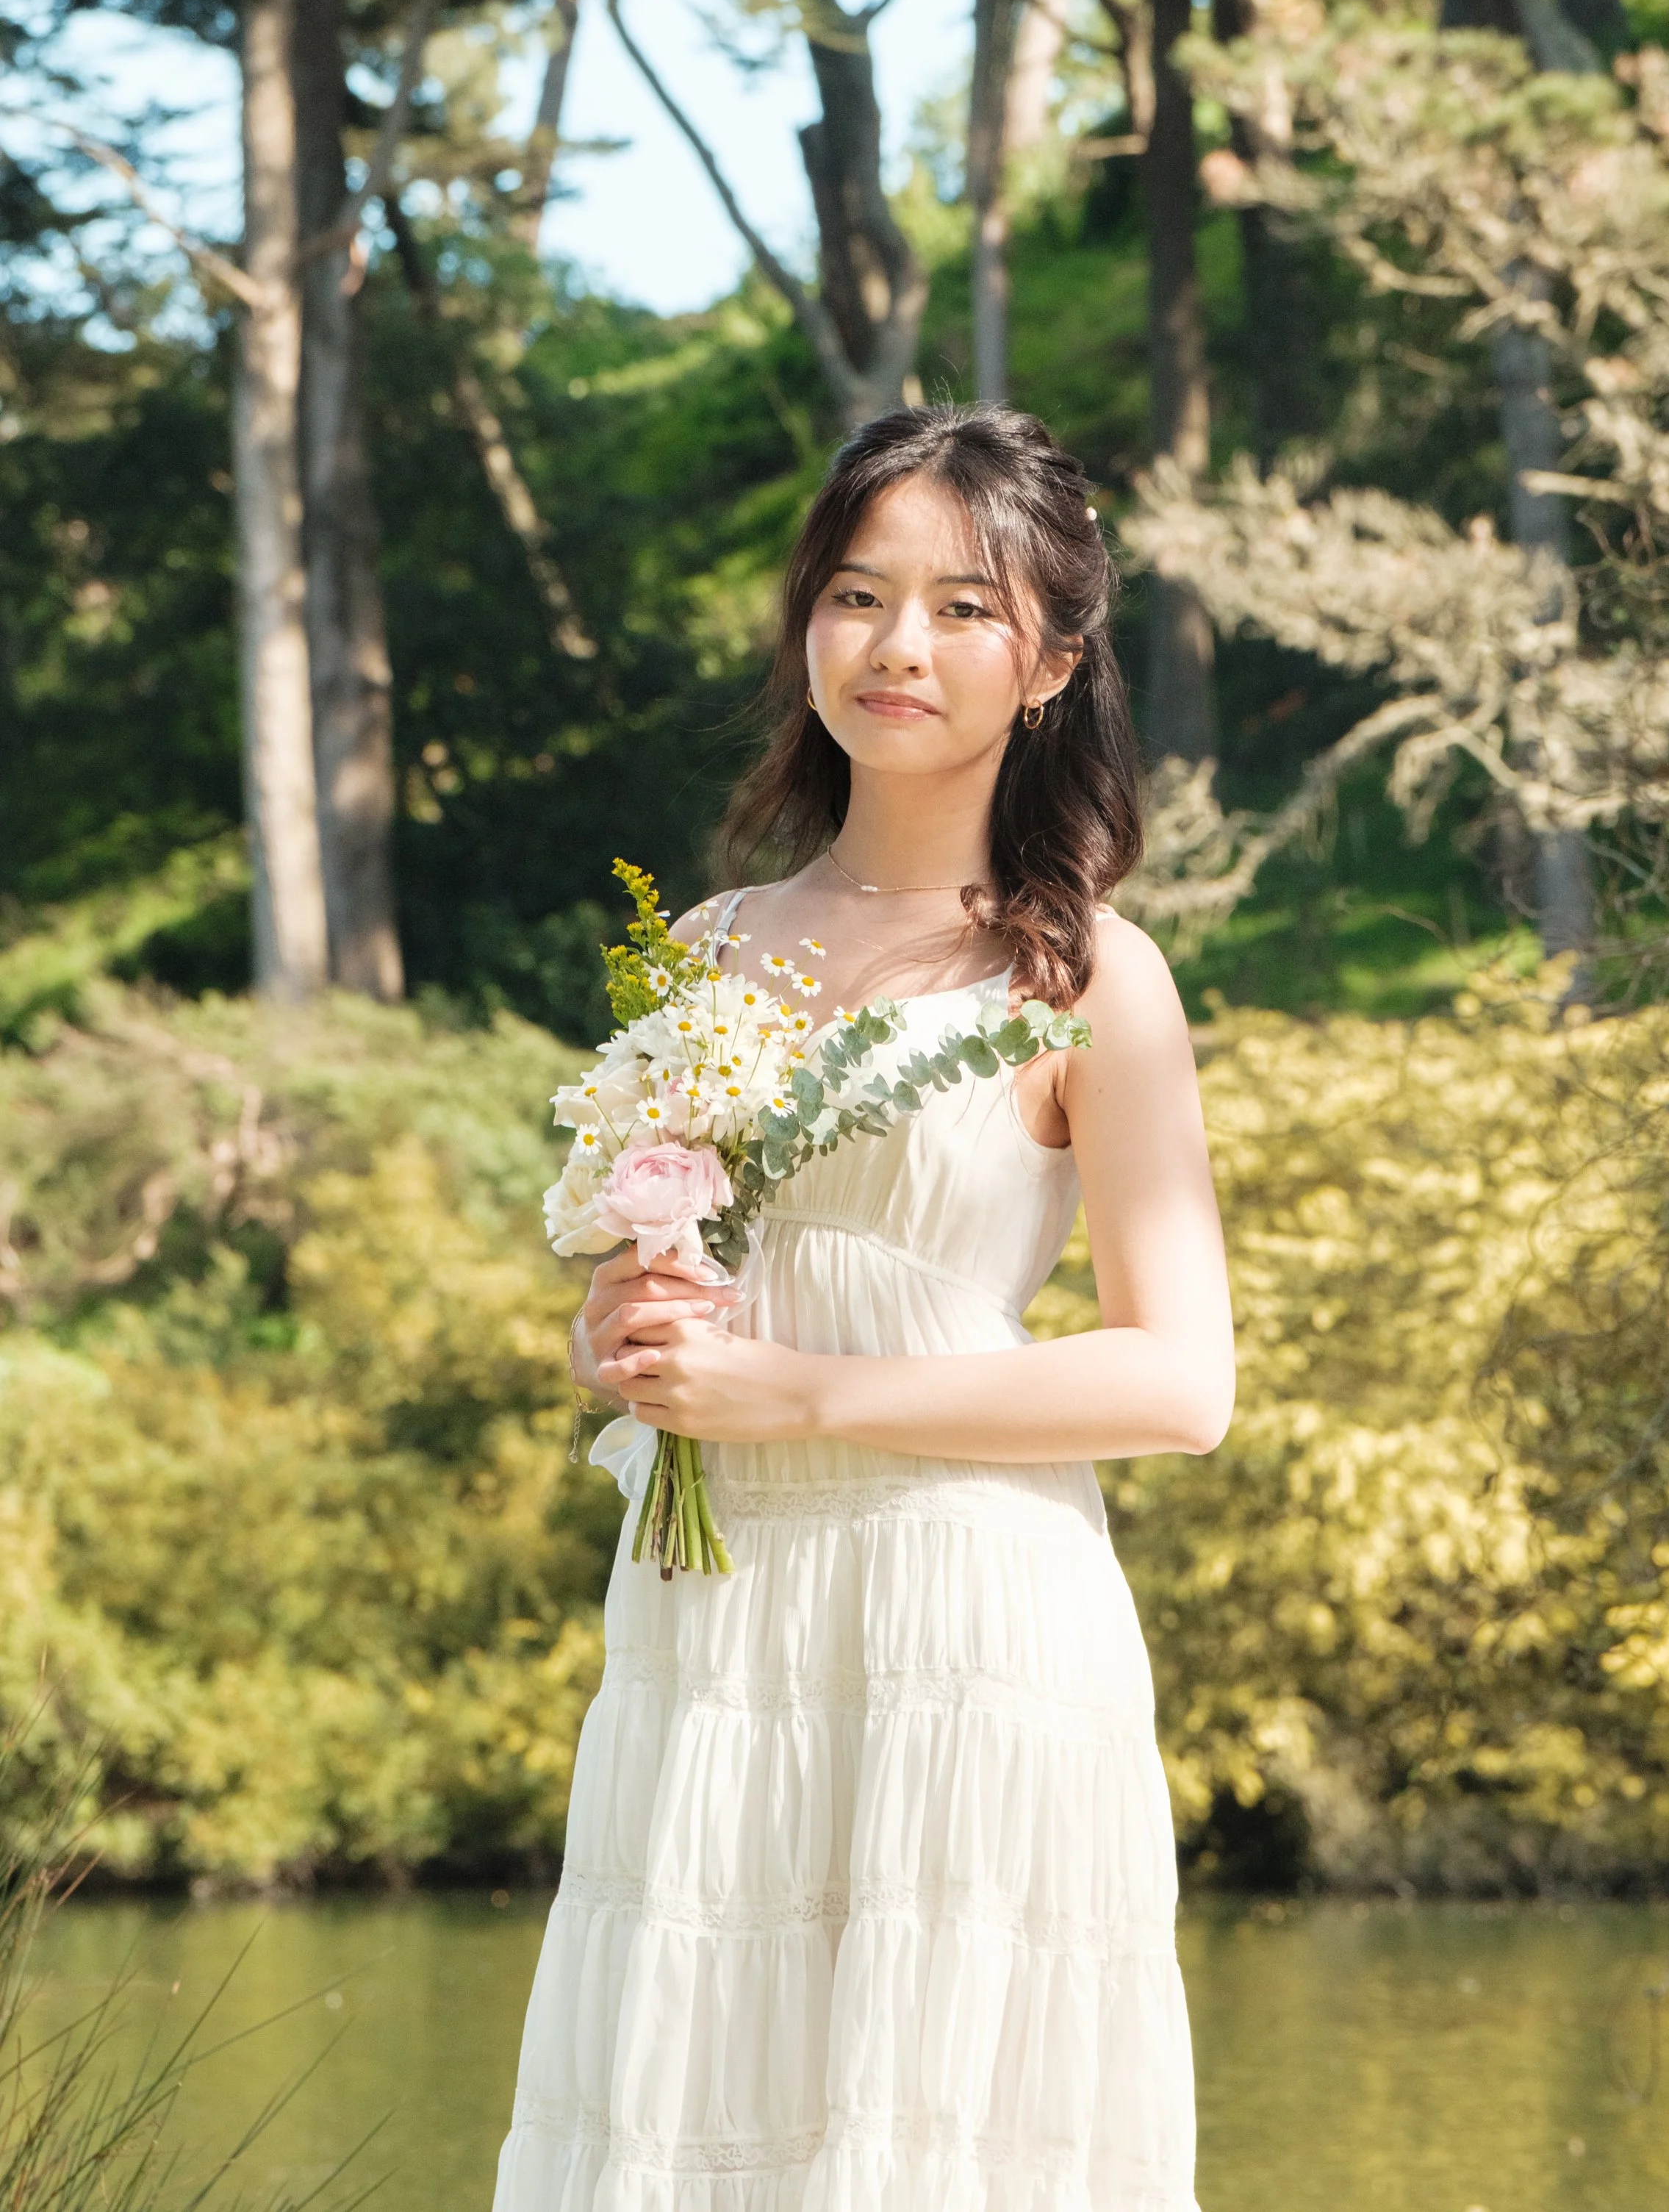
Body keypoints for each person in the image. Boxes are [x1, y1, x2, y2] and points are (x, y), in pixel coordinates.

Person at [494, 402, 1235, 2211]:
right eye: (855, 593)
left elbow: (1179, 1378)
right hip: (718, 1611)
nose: (897, 645)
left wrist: (798, 1393)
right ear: (803, 625)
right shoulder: (709, 951)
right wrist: (625, 1336)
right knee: (685, 2093)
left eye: (963, 606)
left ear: (1051, 659)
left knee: (929, 2135)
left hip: (965, 1617)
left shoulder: (1085, 975)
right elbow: (673, 1279)